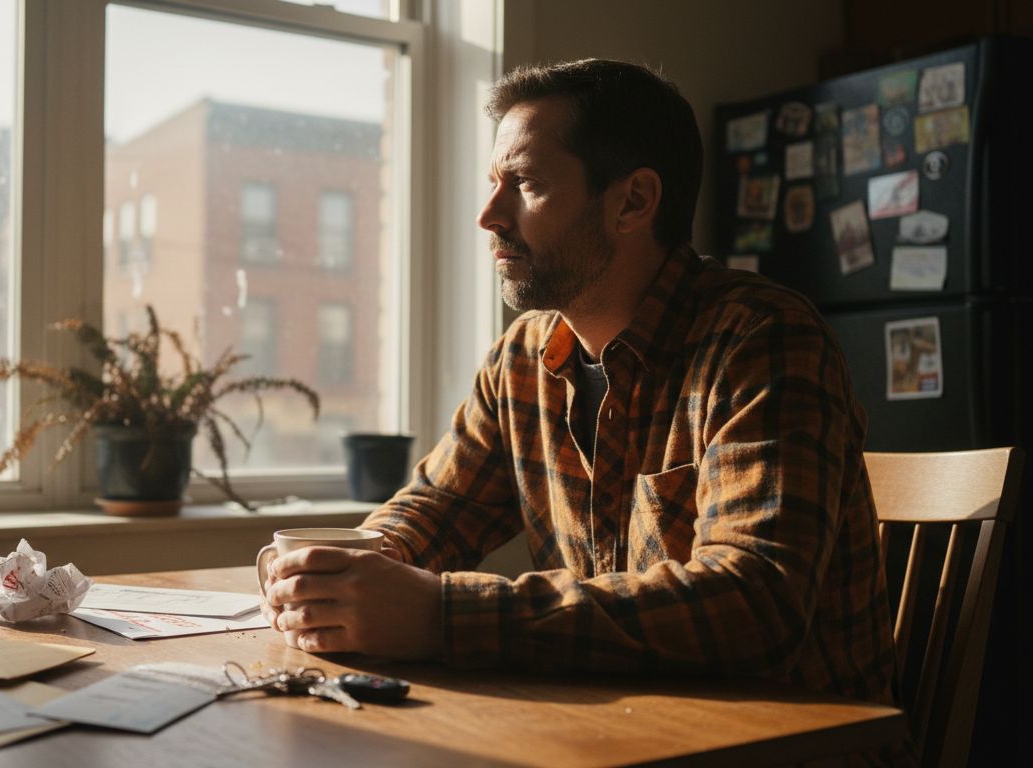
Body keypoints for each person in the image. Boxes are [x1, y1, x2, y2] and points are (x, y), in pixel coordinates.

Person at [261, 58, 897, 708]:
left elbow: (755, 602)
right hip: (618, 734)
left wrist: (438, 613)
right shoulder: (523, 359)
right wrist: (346, 567)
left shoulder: (762, 341)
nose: (488, 215)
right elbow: (438, 506)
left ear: (633, 201)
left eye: (525, 183)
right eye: (492, 183)